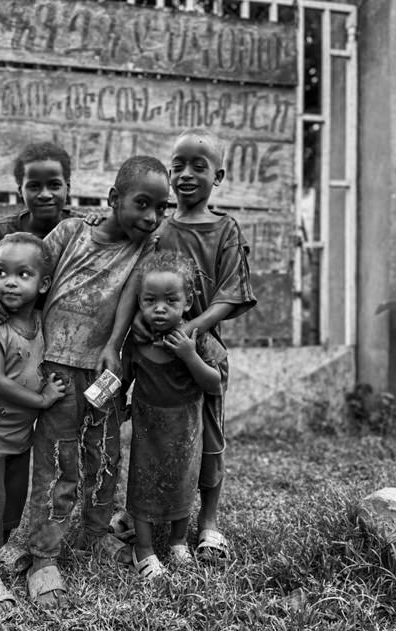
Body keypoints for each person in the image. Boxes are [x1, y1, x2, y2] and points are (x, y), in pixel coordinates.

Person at [0, 155, 170, 607]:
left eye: (160, 208)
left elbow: (130, 292)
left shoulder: (146, 248)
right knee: (57, 463)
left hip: (105, 374)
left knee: (105, 456)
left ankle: (96, 534)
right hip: (58, 371)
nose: (151, 216)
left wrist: (115, 344)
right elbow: (32, 278)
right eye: (142, 203)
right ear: (112, 199)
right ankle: (44, 555)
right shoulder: (70, 233)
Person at [109, 128, 257, 564]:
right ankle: (142, 512)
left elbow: (233, 291)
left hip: (199, 348)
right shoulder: (160, 229)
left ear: (219, 175)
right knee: (154, 439)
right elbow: (138, 279)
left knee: (207, 440)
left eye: (199, 165)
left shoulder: (225, 229)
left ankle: (207, 523)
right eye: (178, 165)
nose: (186, 173)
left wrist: (193, 328)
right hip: (153, 347)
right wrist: (137, 319)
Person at [0, 232, 66, 616]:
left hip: (20, 440)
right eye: (1, 272)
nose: (9, 280)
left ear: (42, 285)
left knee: (11, 507)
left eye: (22, 274)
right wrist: (42, 400)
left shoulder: (42, 323)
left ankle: (0, 551)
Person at [122, 251, 227, 580]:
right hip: (148, 430)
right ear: (139, 301)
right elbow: (121, 379)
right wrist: (105, 405)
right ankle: (144, 549)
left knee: (184, 482)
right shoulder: (137, 342)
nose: (160, 308)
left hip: (186, 430)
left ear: (187, 301)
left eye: (171, 300)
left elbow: (215, 384)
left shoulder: (197, 339)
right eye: (150, 300)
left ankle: (178, 540)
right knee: (142, 484)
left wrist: (189, 355)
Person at [0, 141, 78, 293]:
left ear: (67, 188)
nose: (45, 195)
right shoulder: (2, 232)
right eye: (34, 186)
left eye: (54, 185)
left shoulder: (83, 229)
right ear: (20, 191)